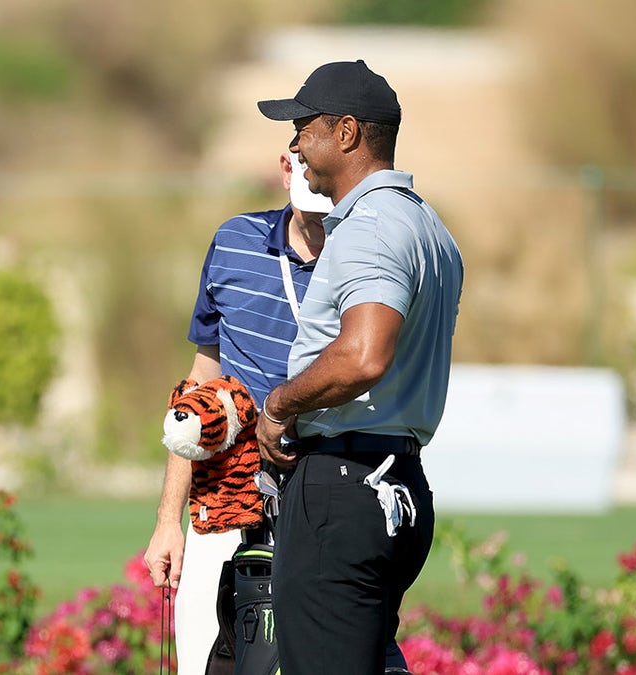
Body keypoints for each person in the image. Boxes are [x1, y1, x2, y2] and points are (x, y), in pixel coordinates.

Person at [253, 60, 464, 674]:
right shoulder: (429, 226)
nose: (294, 144)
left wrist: (278, 406)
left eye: (303, 127)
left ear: (346, 133)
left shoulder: (371, 225)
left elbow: (364, 355)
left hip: (346, 487)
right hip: (395, 483)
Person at [144, 150, 326, 675]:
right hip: (225, 500)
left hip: (325, 497)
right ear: (287, 171)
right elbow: (200, 387)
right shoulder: (234, 241)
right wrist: (168, 522)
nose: (320, 220)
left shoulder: (364, 258)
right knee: (208, 658)